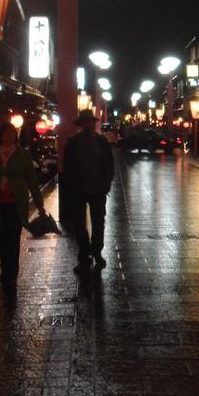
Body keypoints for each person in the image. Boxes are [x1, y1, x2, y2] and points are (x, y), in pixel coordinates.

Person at [0, 123, 46, 294]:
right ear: (0, 134)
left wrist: (39, 204)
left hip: (16, 203)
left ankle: (11, 274)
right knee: (1, 238)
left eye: (12, 132)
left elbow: (32, 180)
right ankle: (5, 268)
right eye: (6, 132)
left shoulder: (22, 154)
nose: (10, 135)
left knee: (13, 238)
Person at [64, 109, 115, 273]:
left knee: (99, 222)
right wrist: (71, 184)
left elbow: (109, 163)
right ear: (81, 124)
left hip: (98, 188)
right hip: (78, 189)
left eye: (91, 122)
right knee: (79, 224)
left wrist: (107, 182)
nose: (89, 124)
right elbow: (67, 165)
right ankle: (84, 255)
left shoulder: (102, 142)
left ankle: (97, 252)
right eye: (86, 122)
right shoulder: (73, 142)